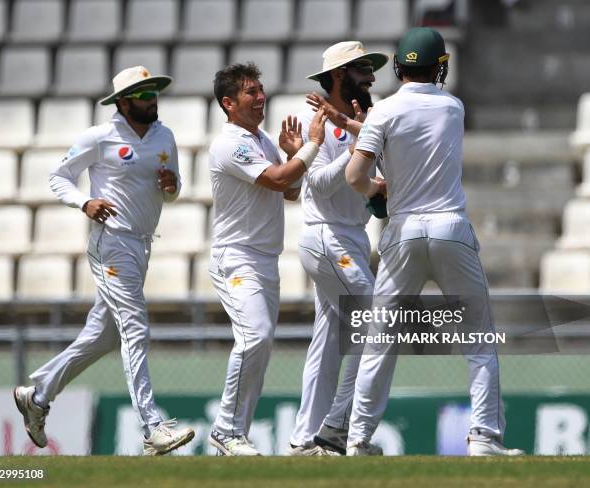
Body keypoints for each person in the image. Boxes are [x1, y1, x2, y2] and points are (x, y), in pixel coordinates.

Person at [344, 27, 525, 456]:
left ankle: (357, 439)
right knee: (479, 342)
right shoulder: (453, 107)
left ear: (400, 67)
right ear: (438, 66)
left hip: (402, 232)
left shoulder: (382, 113)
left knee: (379, 342)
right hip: (449, 229)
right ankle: (483, 438)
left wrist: (377, 190)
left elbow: (355, 177)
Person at [13, 66, 195, 456]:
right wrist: (85, 201)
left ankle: (38, 396)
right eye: (144, 95)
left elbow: (174, 189)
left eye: (154, 92)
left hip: (142, 245)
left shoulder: (165, 136)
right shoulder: (99, 137)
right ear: (124, 102)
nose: (152, 100)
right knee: (134, 327)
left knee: (103, 337)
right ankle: (152, 426)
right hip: (110, 243)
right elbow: (59, 176)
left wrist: (171, 186)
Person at [207, 62, 328, 456]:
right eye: (249, 92)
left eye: (260, 89)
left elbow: (286, 191)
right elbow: (278, 179)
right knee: (254, 336)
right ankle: (225, 430)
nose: (260, 97)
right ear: (228, 103)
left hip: (264, 259)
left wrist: (293, 155)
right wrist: (311, 146)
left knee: (260, 344)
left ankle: (235, 434)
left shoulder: (259, 139)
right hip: (236, 258)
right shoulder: (233, 142)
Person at [287, 41, 388, 456]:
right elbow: (318, 184)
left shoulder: (362, 118)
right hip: (327, 234)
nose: (370, 74)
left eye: (369, 66)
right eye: (360, 67)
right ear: (335, 77)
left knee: (328, 340)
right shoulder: (323, 124)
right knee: (375, 320)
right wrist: (350, 155)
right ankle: (337, 426)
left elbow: (376, 178)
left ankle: (303, 439)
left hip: (351, 237)